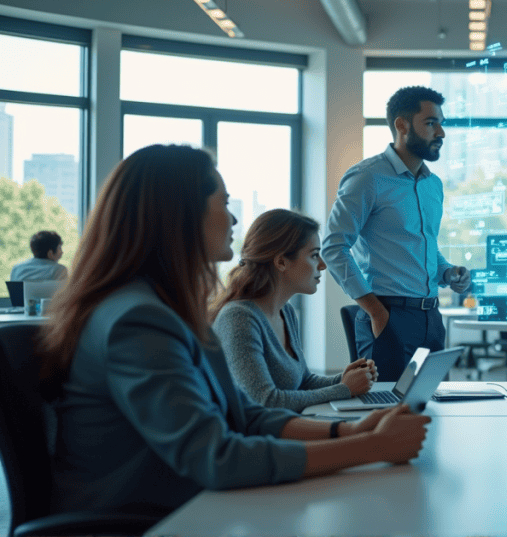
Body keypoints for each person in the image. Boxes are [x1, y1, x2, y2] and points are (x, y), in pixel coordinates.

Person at [38, 144, 430, 517]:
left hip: (182, 505)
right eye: (224, 203)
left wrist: (350, 430)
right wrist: (369, 447)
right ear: (181, 214)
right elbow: (217, 457)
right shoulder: (136, 320)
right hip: (141, 520)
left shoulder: (171, 310)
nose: (235, 219)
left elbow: (246, 415)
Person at [323, 86, 470, 381]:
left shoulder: (434, 185)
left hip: (431, 318)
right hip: (388, 316)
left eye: (441, 123)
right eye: (430, 123)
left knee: (429, 412)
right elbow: (333, 247)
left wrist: (447, 272)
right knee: (384, 411)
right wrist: (376, 312)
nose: (440, 132)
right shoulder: (367, 177)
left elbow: (425, 245)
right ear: (402, 125)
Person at [212, 209, 378, 412]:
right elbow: (264, 401)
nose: (323, 265)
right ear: (281, 262)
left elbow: (303, 381)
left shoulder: (286, 312)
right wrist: (344, 388)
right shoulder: (239, 318)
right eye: (314, 255)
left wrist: (346, 377)